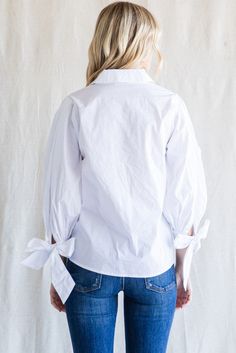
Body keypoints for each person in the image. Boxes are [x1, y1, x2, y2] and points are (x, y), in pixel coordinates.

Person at [21, 2, 210, 352]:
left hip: (90, 263)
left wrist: (60, 271)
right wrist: (182, 270)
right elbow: (185, 194)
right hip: (154, 265)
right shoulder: (169, 105)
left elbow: (61, 195)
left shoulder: (77, 105)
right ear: (145, 43)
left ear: (102, 41)